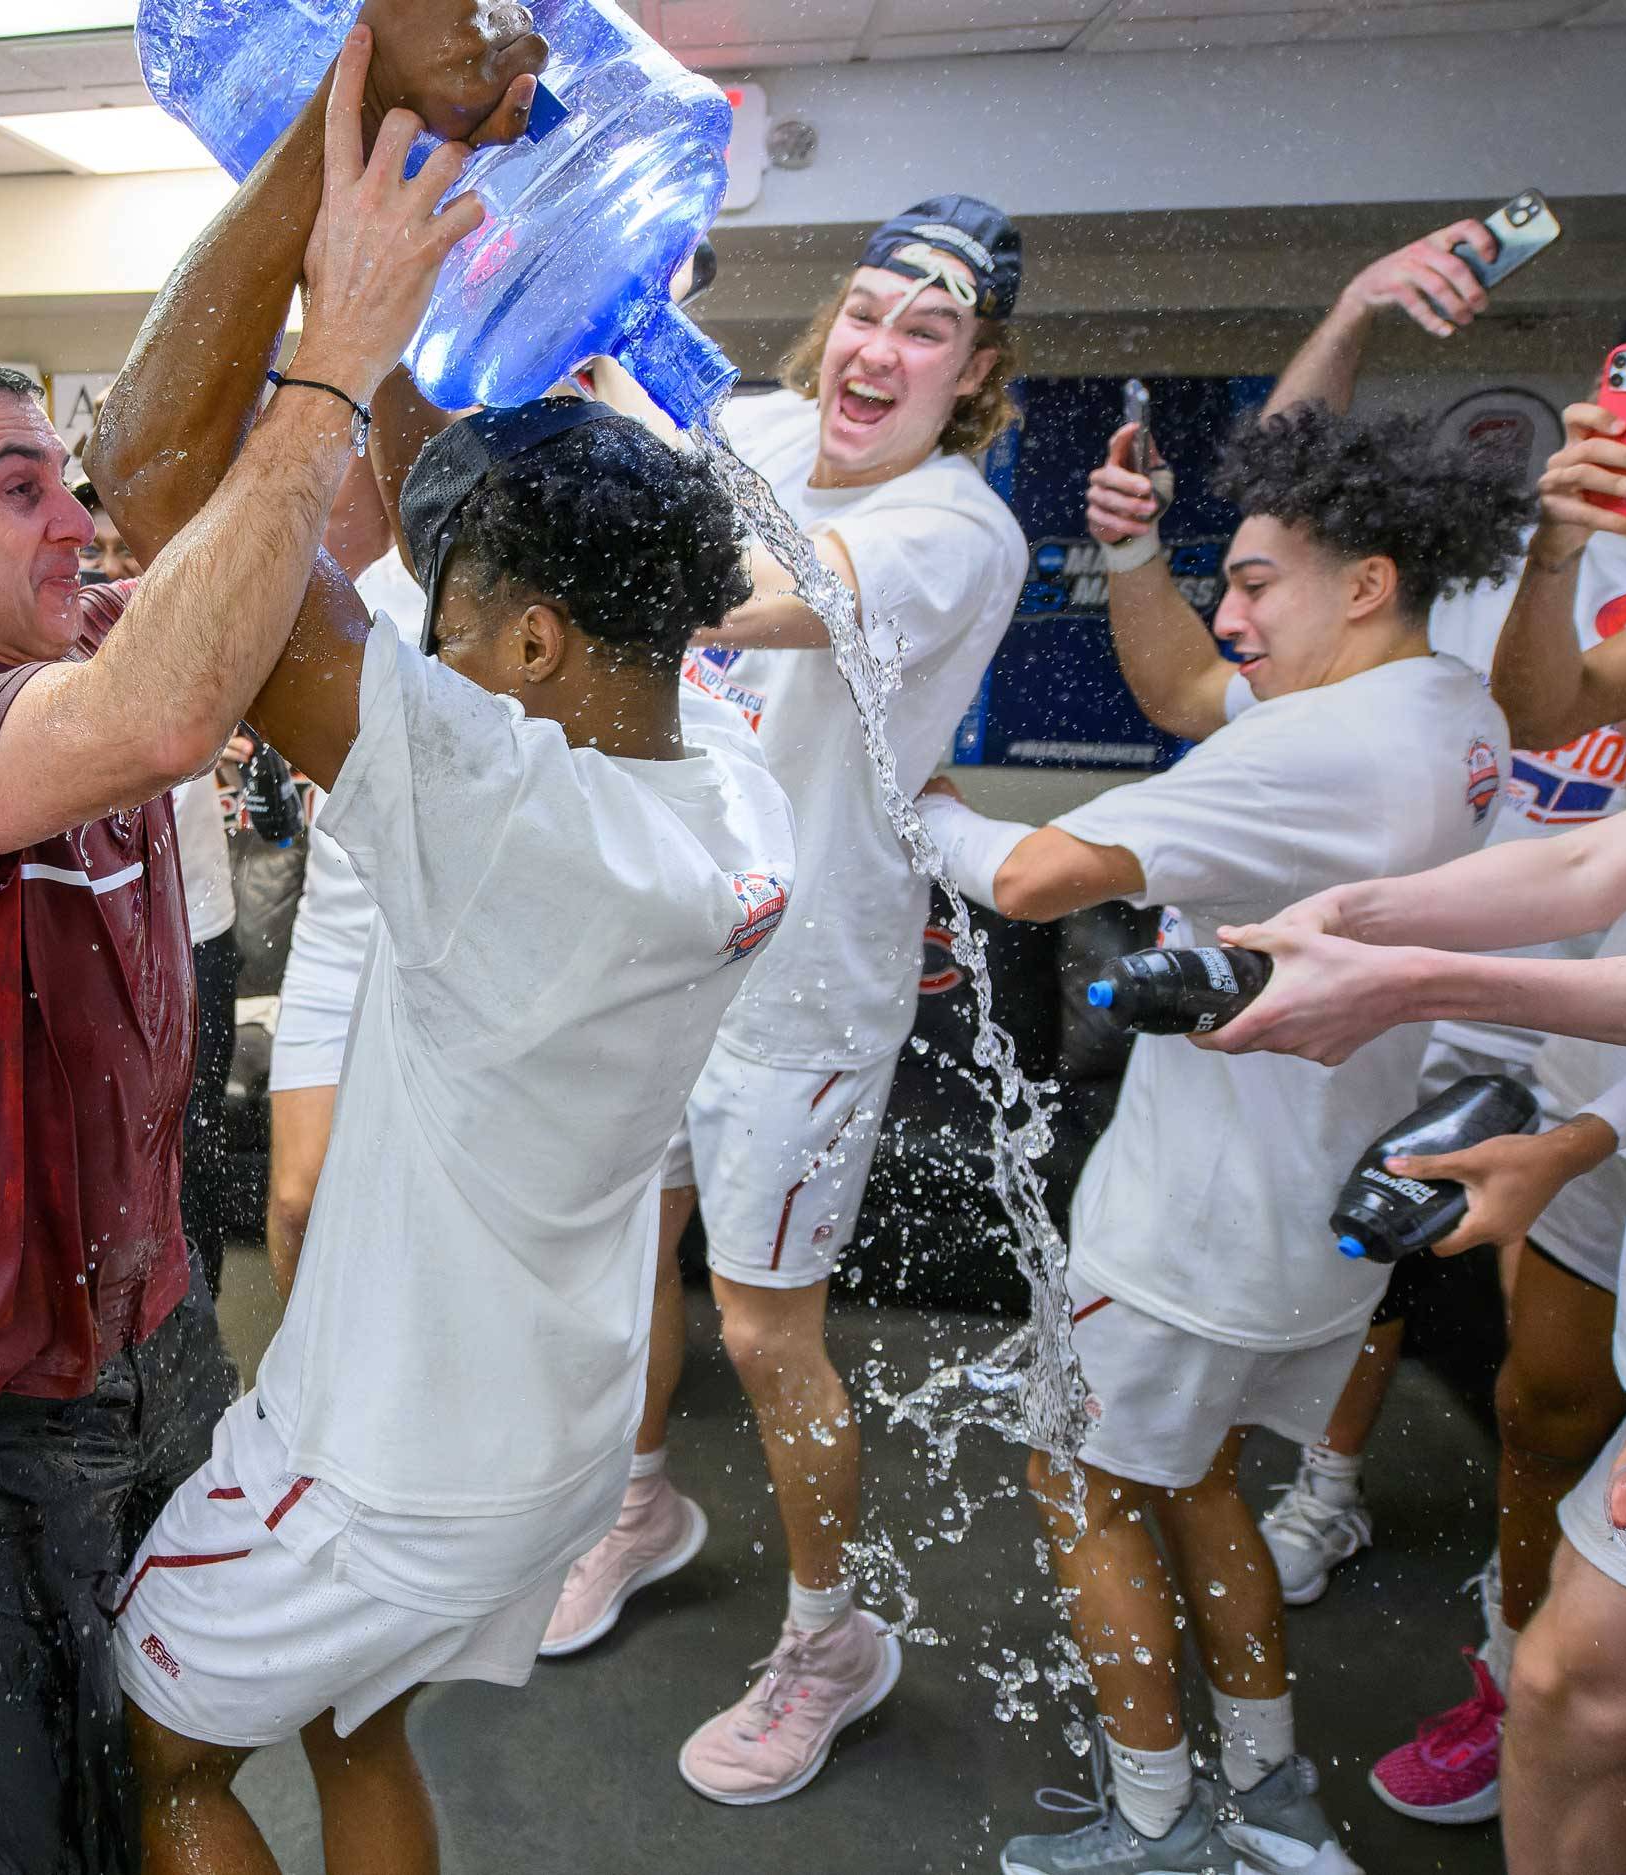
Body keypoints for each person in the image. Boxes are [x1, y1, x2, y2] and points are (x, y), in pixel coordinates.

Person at [0, 11, 547, 1869]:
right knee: (60, 1821)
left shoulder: (90, 647)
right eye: (18, 488)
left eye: (62, 475)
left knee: (198, 1746)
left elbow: (171, 449)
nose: (77, 511)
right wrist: (339, 358)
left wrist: (363, 84)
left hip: (156, 1332)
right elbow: (153, 718)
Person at [100, 54, 791, 1875]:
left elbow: (152, 471)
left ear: (541, 641)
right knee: (352, 1721)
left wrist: (320, 193)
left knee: (166, 1762)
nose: (429, 629)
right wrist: (448, 212)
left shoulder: (503, 813)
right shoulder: (721, 774)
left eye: (460, 610)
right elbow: (432, 544)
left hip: (387, 1468)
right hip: (545, 1448)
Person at [1092, 254, 1626, 1820]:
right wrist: (1377, 929)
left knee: (1580, 1411)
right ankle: (1412, 1564)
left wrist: (1387, 963)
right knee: (1489, 1379)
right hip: (1584, 1058)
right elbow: (1586, 811)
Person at [913, 404, 1526, 1873]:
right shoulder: (1456, 714)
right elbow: (1194, 679)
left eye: (1255, 581)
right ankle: (1268, 1791)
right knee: (1195, 1483)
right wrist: (1132, 548)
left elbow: (1039, 874)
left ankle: (1156, 1817)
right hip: (1318, 1224)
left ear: (1364, 580)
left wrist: (909, 797)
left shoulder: (1319, 750)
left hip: (1195, 1228)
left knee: (1082, 1484)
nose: (1232, 613)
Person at [540, 194, 1028, 1809]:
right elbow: (589, 420)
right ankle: (639, 1505)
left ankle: (833, 1642)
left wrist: (639, 460)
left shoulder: (958, 529)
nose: (883, 348)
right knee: (628, 1263)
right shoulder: (748, 419)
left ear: (974, 372)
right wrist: (592, 317)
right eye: (873, 310)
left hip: (805, 989)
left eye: (931, 330)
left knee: (765, 1329)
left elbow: (752, 597)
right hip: (657, 944)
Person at [1202, 703, 1626, 1875]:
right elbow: (1588, 864)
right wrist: (1348, 915)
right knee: (1574, 1693)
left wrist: (1408, 981)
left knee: (1573, 1688)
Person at [71, 464, 250, 1302]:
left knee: (196, 1135)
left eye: (123, 548)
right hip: (91, 942)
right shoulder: (47, 651)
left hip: (196, 933)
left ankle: (198, 1321)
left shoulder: (199, 637)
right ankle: (110, 1328)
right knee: (96, 1141)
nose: (107, 565)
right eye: (92, 549)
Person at [263, 462, 428, 1298]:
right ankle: (301, 1394)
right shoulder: (353, 581)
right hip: (340, 920)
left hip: (448, 935)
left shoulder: (506, 578)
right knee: (298, 1197)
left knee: (428, 1221)